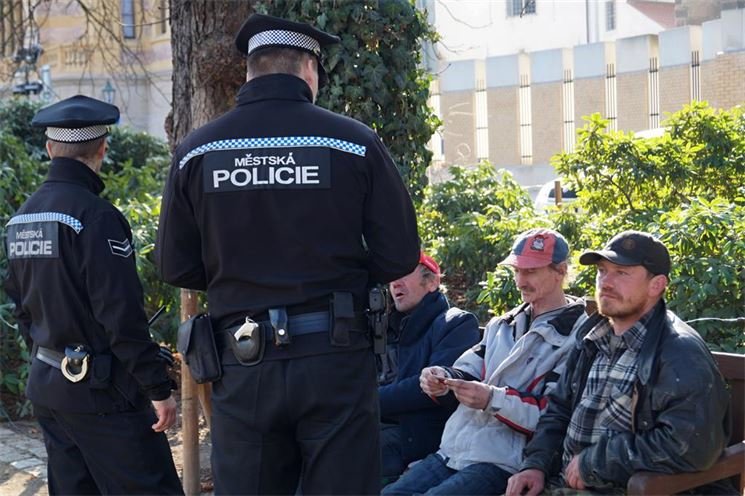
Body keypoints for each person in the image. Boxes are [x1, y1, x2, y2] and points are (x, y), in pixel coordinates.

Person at [155, 13, 420, 495]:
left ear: (251, 71)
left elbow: (175, 265)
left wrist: (235, 275)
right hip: (335, 358)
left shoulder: (196, 151)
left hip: (243, 359)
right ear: (308, 70)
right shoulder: (353, 142)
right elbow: (399, 254)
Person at [2, 95, 182, 495]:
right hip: (103, 393)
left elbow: (22, 311)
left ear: (50, 149)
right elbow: (121, 317)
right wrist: (157, 388)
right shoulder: (96, 217)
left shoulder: (22, 219)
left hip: (49, 385)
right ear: (102, 149)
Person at [506, 230, 731, 496]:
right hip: (562, 484)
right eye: (602, 271)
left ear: (656, 285)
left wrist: (597, 462)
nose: (606, 282)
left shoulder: (679, 353)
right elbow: (559, 410)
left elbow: (692, 446)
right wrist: (536, 464)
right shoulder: (593, 339)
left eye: (622, 273)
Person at [383, 228, 586, 496]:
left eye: (531, 271)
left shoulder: (577, 335)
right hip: (455, 450)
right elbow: (467, 369)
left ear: (560, 271)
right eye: (517, 271)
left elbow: (553, 414)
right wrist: (440, 378)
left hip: (505, 461)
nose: (520, 281)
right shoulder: (502, 324)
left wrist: (492, 399)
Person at [379, 252, 480, 481]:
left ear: (433, 282)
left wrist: (364, 402)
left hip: (417, 441)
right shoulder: (383, 328)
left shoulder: (456, 323)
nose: (395, 282)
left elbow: (428, 389)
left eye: (404, 273)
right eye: (392, 276)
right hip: (379, 426)